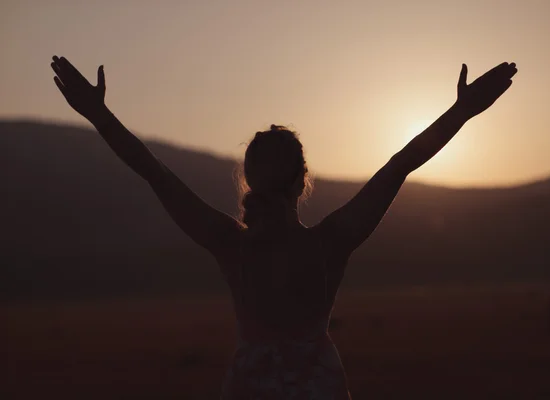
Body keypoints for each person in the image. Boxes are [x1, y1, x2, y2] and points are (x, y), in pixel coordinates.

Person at [50, 55, 517, 399]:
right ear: (303, 181)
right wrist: (463, 111)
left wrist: (99, 115)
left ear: (249, 182)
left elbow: (153, 170)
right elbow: (400, 165)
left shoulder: (229, 244)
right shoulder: (332, 241)